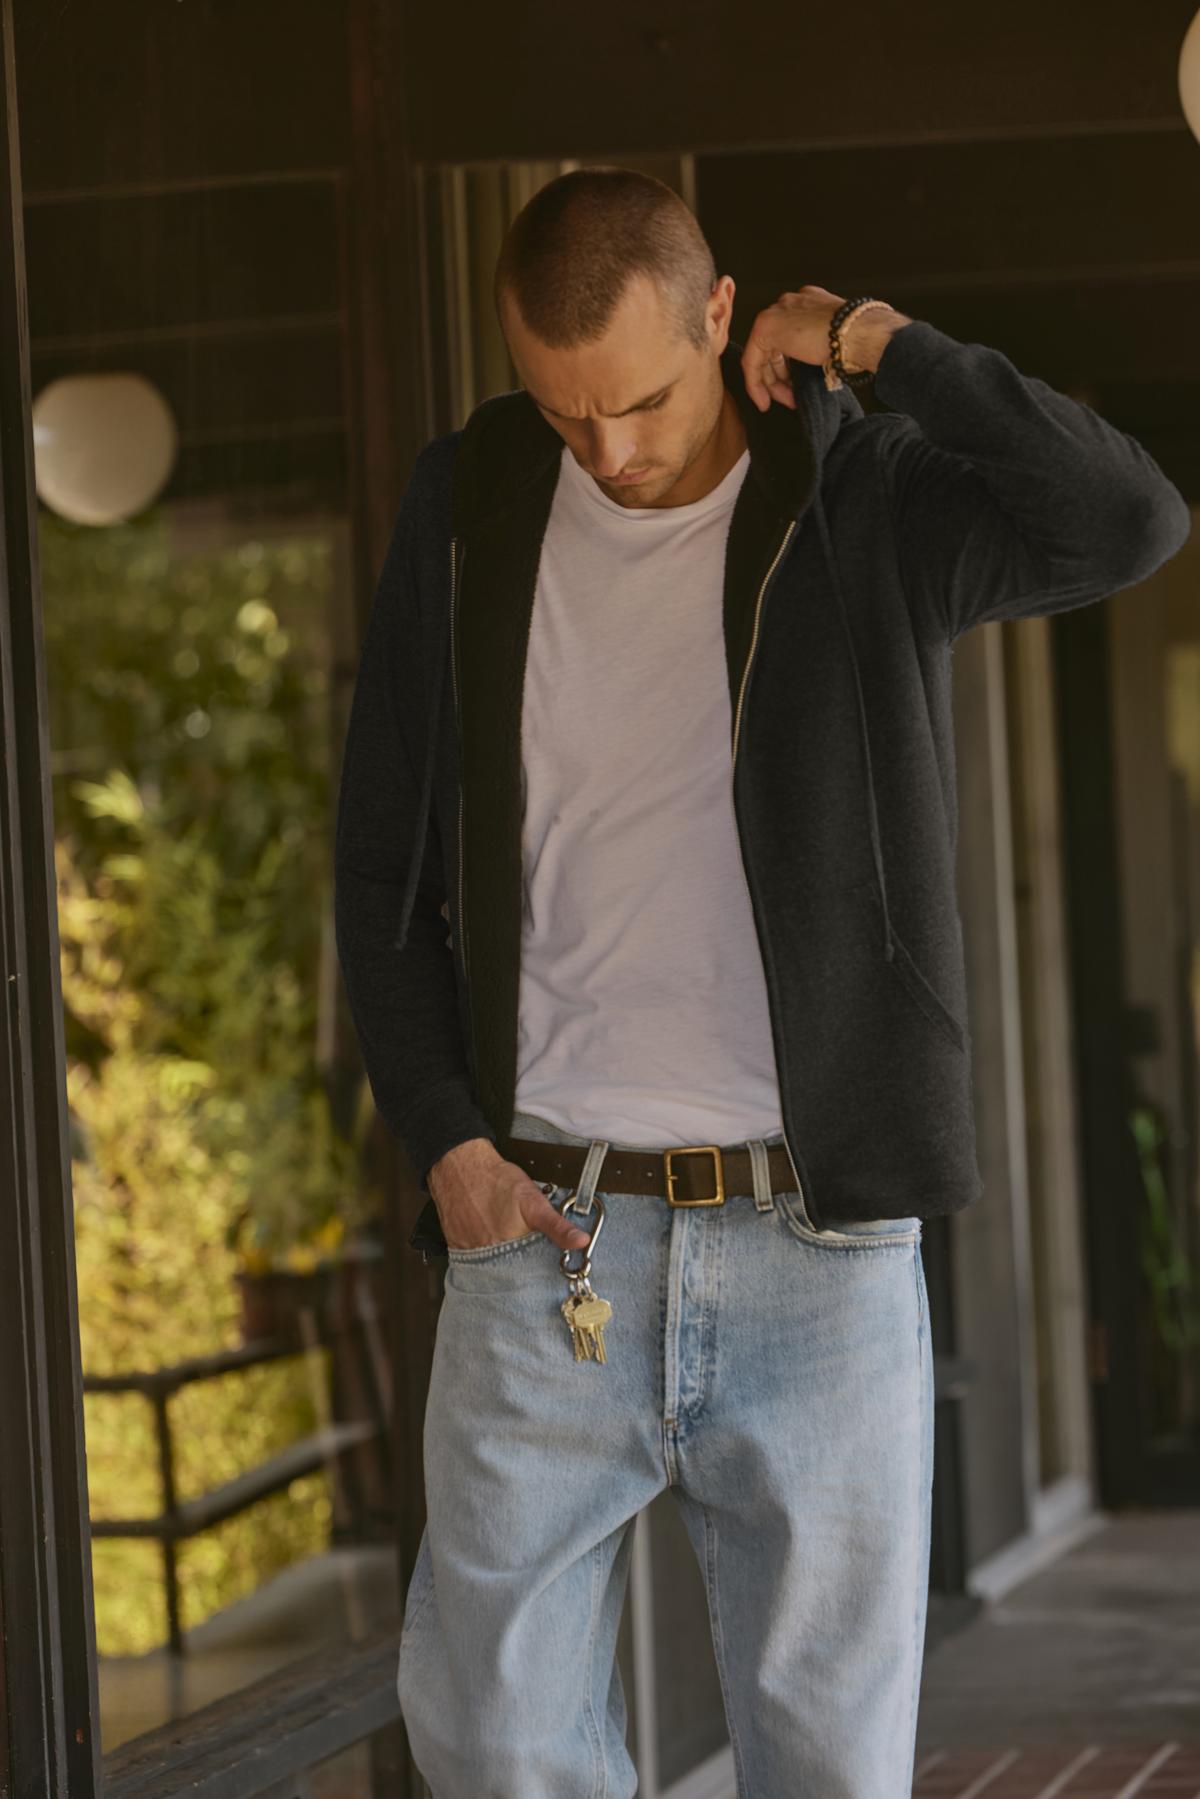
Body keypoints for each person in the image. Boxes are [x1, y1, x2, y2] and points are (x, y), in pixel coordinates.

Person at [333, 167, 1190, 1797]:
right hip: (544, 1248)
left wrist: (881, 346)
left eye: (643, 400)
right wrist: (444, 1138)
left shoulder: (858, 502)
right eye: (563, 409)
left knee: (824, 1760)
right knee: (491, 1741)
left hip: (819, 1244)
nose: (611, 451)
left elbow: (1128, 520)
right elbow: (384, 865)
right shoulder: (471, 508)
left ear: (721, 319)